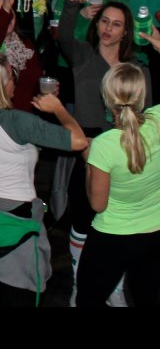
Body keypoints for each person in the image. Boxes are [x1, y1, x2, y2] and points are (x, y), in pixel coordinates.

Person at [0, 52, 88, 306]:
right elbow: (78, 141)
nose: (16, 80)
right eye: (12, 75)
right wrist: (58, 108)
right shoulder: (17, 121)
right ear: (0, 84)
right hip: (16, 228)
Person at [75, 62, 160, 307]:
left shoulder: (104, 145)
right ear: (142, 95)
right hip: (154, 232)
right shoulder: (157, 122)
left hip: (112, 236)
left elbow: (98, 204)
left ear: (106, 98)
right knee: (147, 299)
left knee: (88, 300)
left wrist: (89, 163)